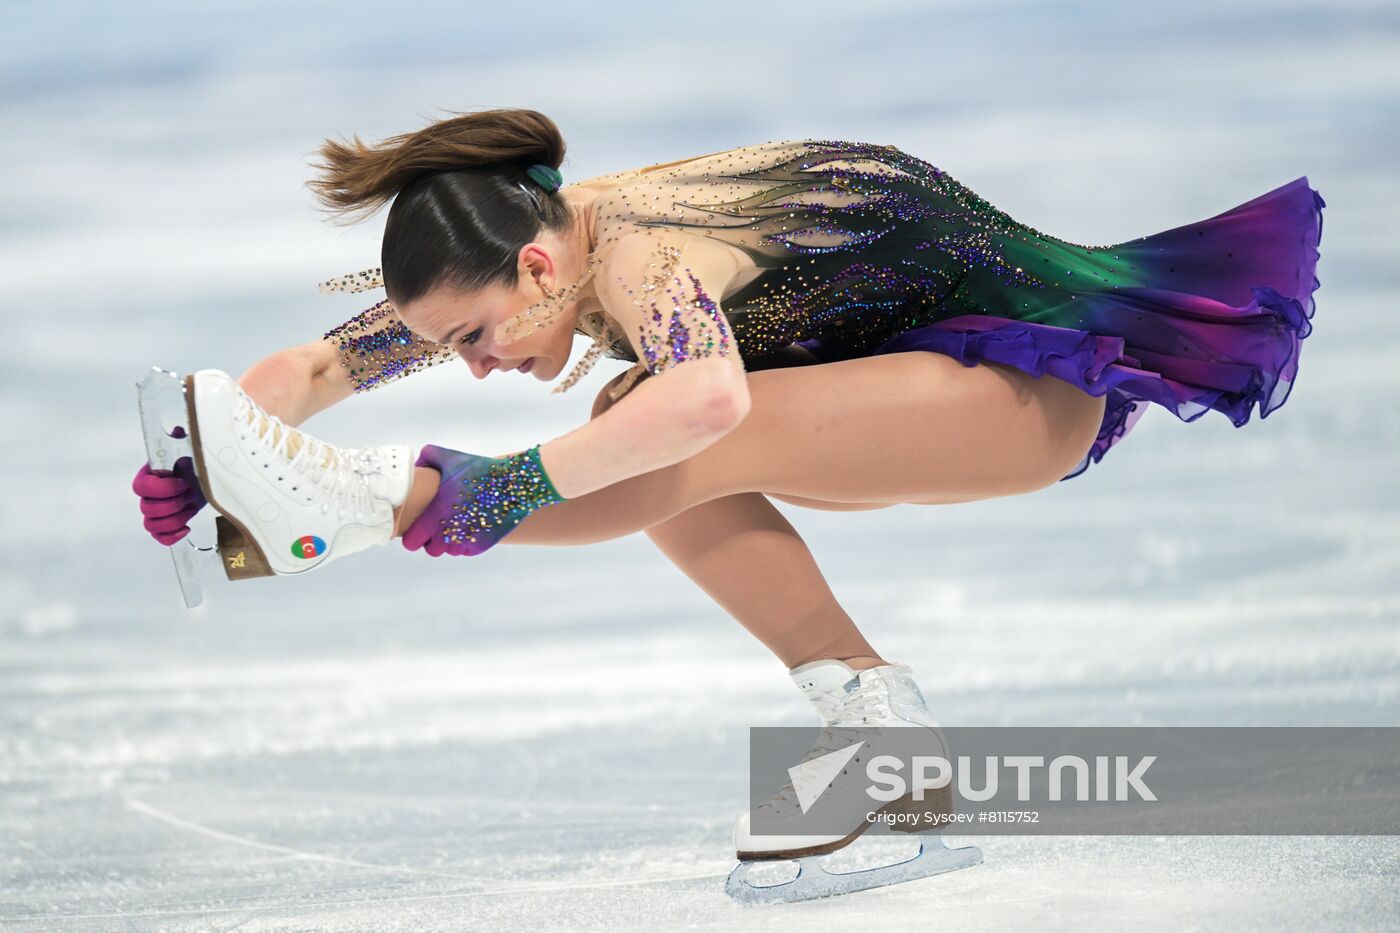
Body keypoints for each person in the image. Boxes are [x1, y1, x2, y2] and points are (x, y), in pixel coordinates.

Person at [131, 107, 1325, 888]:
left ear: (537, 270)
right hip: (910, 389)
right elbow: (317, 367)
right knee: (626, 424)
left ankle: (365, 510)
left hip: (1014, 389)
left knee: (654, 428)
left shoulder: (640, 247)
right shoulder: (529, 244)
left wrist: (480, 492)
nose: (472, 363)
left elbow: (706, 403)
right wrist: (219, 456)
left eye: (474, 338)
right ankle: (882, 737)